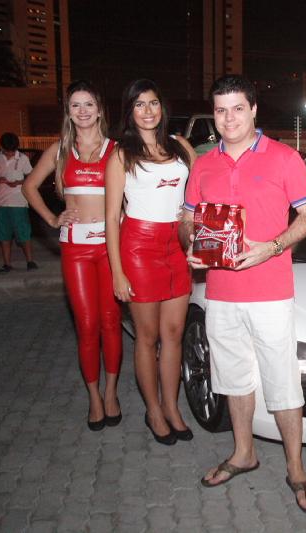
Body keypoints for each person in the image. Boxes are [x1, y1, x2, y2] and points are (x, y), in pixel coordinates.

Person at [179, 75, 306, 513]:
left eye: (237, 108)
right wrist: (191, 243)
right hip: (220, 292)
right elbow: (187, 219)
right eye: (221, 110)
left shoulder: (284, 157)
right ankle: (244, 453)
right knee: (232, 378)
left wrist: (272, 246)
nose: (229, 119)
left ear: (254, 109)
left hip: (271, 293)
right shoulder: (203, 164)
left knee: (282, 381)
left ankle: (296, 468)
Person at [22, 80, 122, 431]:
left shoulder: (116, 150)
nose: (82, 111)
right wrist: (52, 219)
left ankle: (111, 392)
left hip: (110, 247)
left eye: (88, 104)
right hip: (76, 248)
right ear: (68, 112)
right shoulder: (60, 150)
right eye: (75, 105)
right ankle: (93, 396)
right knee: (87, 325)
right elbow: (29, 187)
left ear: (100, 110)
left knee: (111, 322)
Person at [105, 79, 196, 446]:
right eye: (139, 104)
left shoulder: (181, 146)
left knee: (174, 333)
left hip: (177, 245)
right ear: (130, 111)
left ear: (162, 107)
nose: (148, 111)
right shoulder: (120, 154)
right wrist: (117, 271)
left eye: (153, 103)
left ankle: (172, 407)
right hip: (139, 247)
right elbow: (111, 217)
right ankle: (153, 410)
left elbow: (200, 192)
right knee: (148, 336)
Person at [0, 132, 37, 273]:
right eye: (7, 151)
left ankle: (30, 261)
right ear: (2, 147)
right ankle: (7, 264)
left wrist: (19, 182)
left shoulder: (23, 158)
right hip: (0, 202)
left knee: (23, 232)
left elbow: (32, 177)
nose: (10, 154)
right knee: (3, 234)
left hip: (18, 202)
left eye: (12, 151)